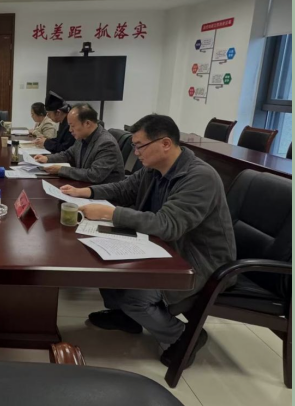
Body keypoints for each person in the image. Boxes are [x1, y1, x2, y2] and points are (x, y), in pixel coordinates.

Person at [61, 114, 236, 369]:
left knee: (135, 296)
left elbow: (168, 225)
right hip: (164, 246)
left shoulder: (199, 177)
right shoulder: (154, 169)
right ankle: (125, 317)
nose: (135, 153)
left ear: (165, 144)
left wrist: (111, 214)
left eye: (139, 146)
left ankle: (183, 336)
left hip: (198, 261)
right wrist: (85, 192)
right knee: (101, 261)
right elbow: (123, 188)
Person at [35, 103, 124, 184]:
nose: (70, 130)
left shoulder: (106, 143)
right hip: (85, 185)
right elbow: (68, 154)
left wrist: (61, 170)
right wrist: (47, 158)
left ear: (87, 123)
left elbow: (94, 175)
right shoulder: (82, 136)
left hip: (103, 192)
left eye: (72, 126)